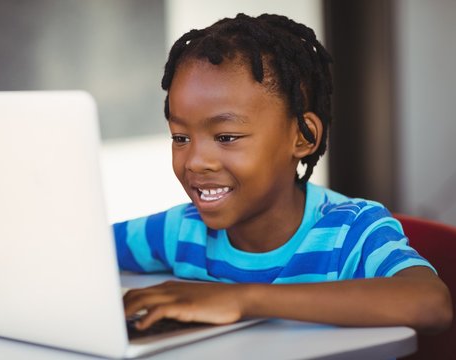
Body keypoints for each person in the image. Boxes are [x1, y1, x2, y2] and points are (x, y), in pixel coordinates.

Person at [115, 13, 452, 334]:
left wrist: (242, 300)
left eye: (226, 137)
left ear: (303, 136)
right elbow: (82, 250)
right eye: (180, 138)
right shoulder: (181, 231)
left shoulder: (351, 231)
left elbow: (431, 305)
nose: (195, 161)